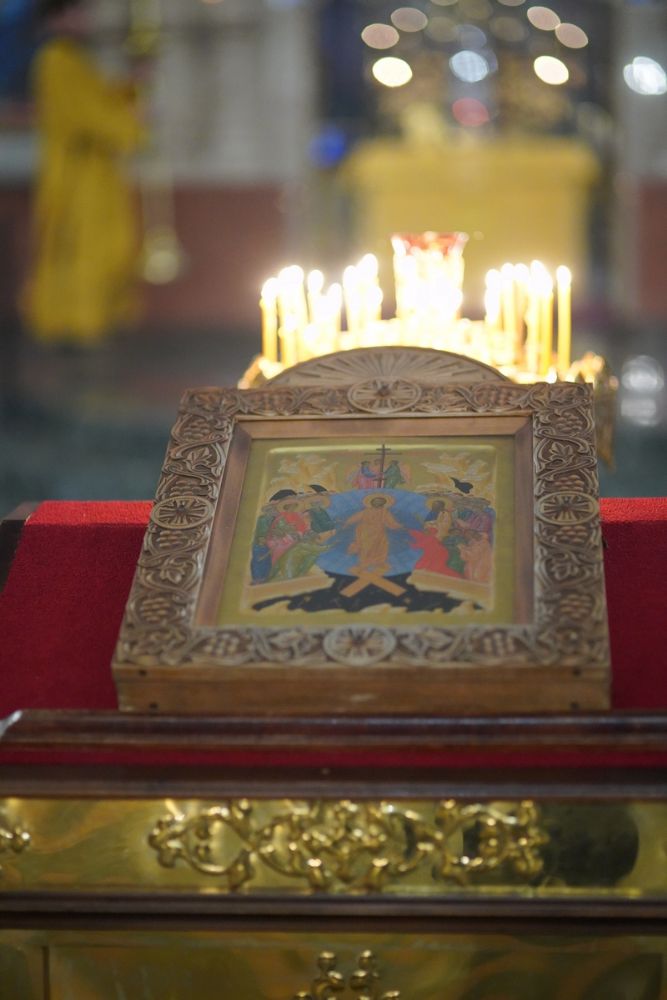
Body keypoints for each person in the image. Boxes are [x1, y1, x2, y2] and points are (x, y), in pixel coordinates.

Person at [22, 0, 145, 345]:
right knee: (80, 250)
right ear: (58, 17)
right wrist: (130, 123)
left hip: (95, 174)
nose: (86, 20)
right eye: (78, 13)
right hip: (77, 175)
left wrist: (130, 88)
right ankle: (74, 328)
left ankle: (94, 325)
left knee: (105, 247)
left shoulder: (74, 59)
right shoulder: (56, 59)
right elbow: (87, 115)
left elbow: (98, 99)